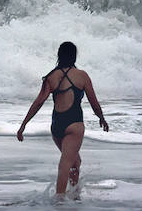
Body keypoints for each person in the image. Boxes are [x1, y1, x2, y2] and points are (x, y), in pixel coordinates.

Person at [17, 41, 109, 197]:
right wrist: (102, 118)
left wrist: (23, 125)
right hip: (74, 125)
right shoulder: (82, 76)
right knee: (66, 162)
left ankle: (74, 194)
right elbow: (93, 101)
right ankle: (59, 200)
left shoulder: (51, 76)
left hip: (56, 126)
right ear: (74, 56)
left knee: (75, 161)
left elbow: (38, 102)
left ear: (59, 55)